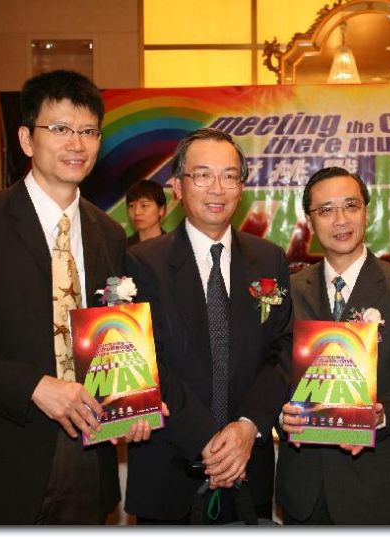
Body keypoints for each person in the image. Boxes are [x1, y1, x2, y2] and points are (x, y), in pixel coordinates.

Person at [0, 70, 149, 524]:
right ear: (26, 139)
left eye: (88, 131)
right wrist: (34, 386)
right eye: (60, 128)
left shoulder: (109, 233)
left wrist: (132, 399)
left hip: (88, 457)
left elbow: (111, 335)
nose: (76, 143)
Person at [125, 128, 293, 524]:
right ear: (178, 187)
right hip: (168, 473)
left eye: (229, 176)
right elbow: (144, 360)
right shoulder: (141, 263)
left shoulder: (269, 259)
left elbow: (283, 348)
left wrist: (247, 427)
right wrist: (207, 439)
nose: (217, 188)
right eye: (202, 175)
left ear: (241, 187)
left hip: (248, 467)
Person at [276, 167, 390, 525]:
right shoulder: (290, 290)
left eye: (350, 206)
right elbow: (272, 368)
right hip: (303, 486)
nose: (340, 219)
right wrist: (280, 413)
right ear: (310, 221)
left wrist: (381, 415)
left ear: (367, 212)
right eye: (326, 210)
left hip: (374, 486)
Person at [126, 179, 167, 246]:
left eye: (144, 205)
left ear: (161, 210)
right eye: (131, 206)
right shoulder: (123, 249)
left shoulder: (173, 245)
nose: (136, 212)